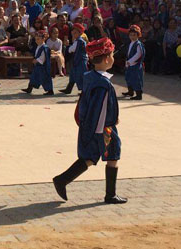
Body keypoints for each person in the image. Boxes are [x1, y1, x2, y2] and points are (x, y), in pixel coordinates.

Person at [52, 37, 127, 204]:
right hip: (103, 128)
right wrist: (104, 128)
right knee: (113, 154)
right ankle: (110, 194)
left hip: (93, 126)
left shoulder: (91, 77)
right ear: (107, 59)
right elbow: (98, 110)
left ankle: (62, 180)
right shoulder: (103, 84)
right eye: (112, 55)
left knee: (91, 157)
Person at [22, 30, 54, 95]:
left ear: (43, 39)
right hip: (38, 66)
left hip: (42, 67)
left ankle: (50, 90)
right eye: (36, 39)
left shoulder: (45, 48)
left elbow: (43, 57)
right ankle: (29, 88)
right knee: (33, 77)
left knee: (44, 79)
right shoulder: (38, 46)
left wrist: (37, 60)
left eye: (38, 39)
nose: (36, 41)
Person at [60, 23, 88, 94]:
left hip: (80, 62)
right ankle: (68, 89)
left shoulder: (78, 41)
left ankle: (84, 91)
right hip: (78, 61)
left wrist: (67, 46)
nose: (73, 34)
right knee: (73, 75)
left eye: (75, 33)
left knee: (80, 76)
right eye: (72, 32)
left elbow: (71, 50)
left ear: (80, 33)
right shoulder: (79, 41)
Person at [122, 25, 145, 100]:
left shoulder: (138, 44)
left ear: (138, 35)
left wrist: (131, 61)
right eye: (131, 35)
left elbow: (139, 54)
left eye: (134, 35)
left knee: (136, 79)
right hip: (130, 64)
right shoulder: (131, 43)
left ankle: (139, 94)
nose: (132, 37)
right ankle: (130, 91)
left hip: (136, 65)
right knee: (128, 77)